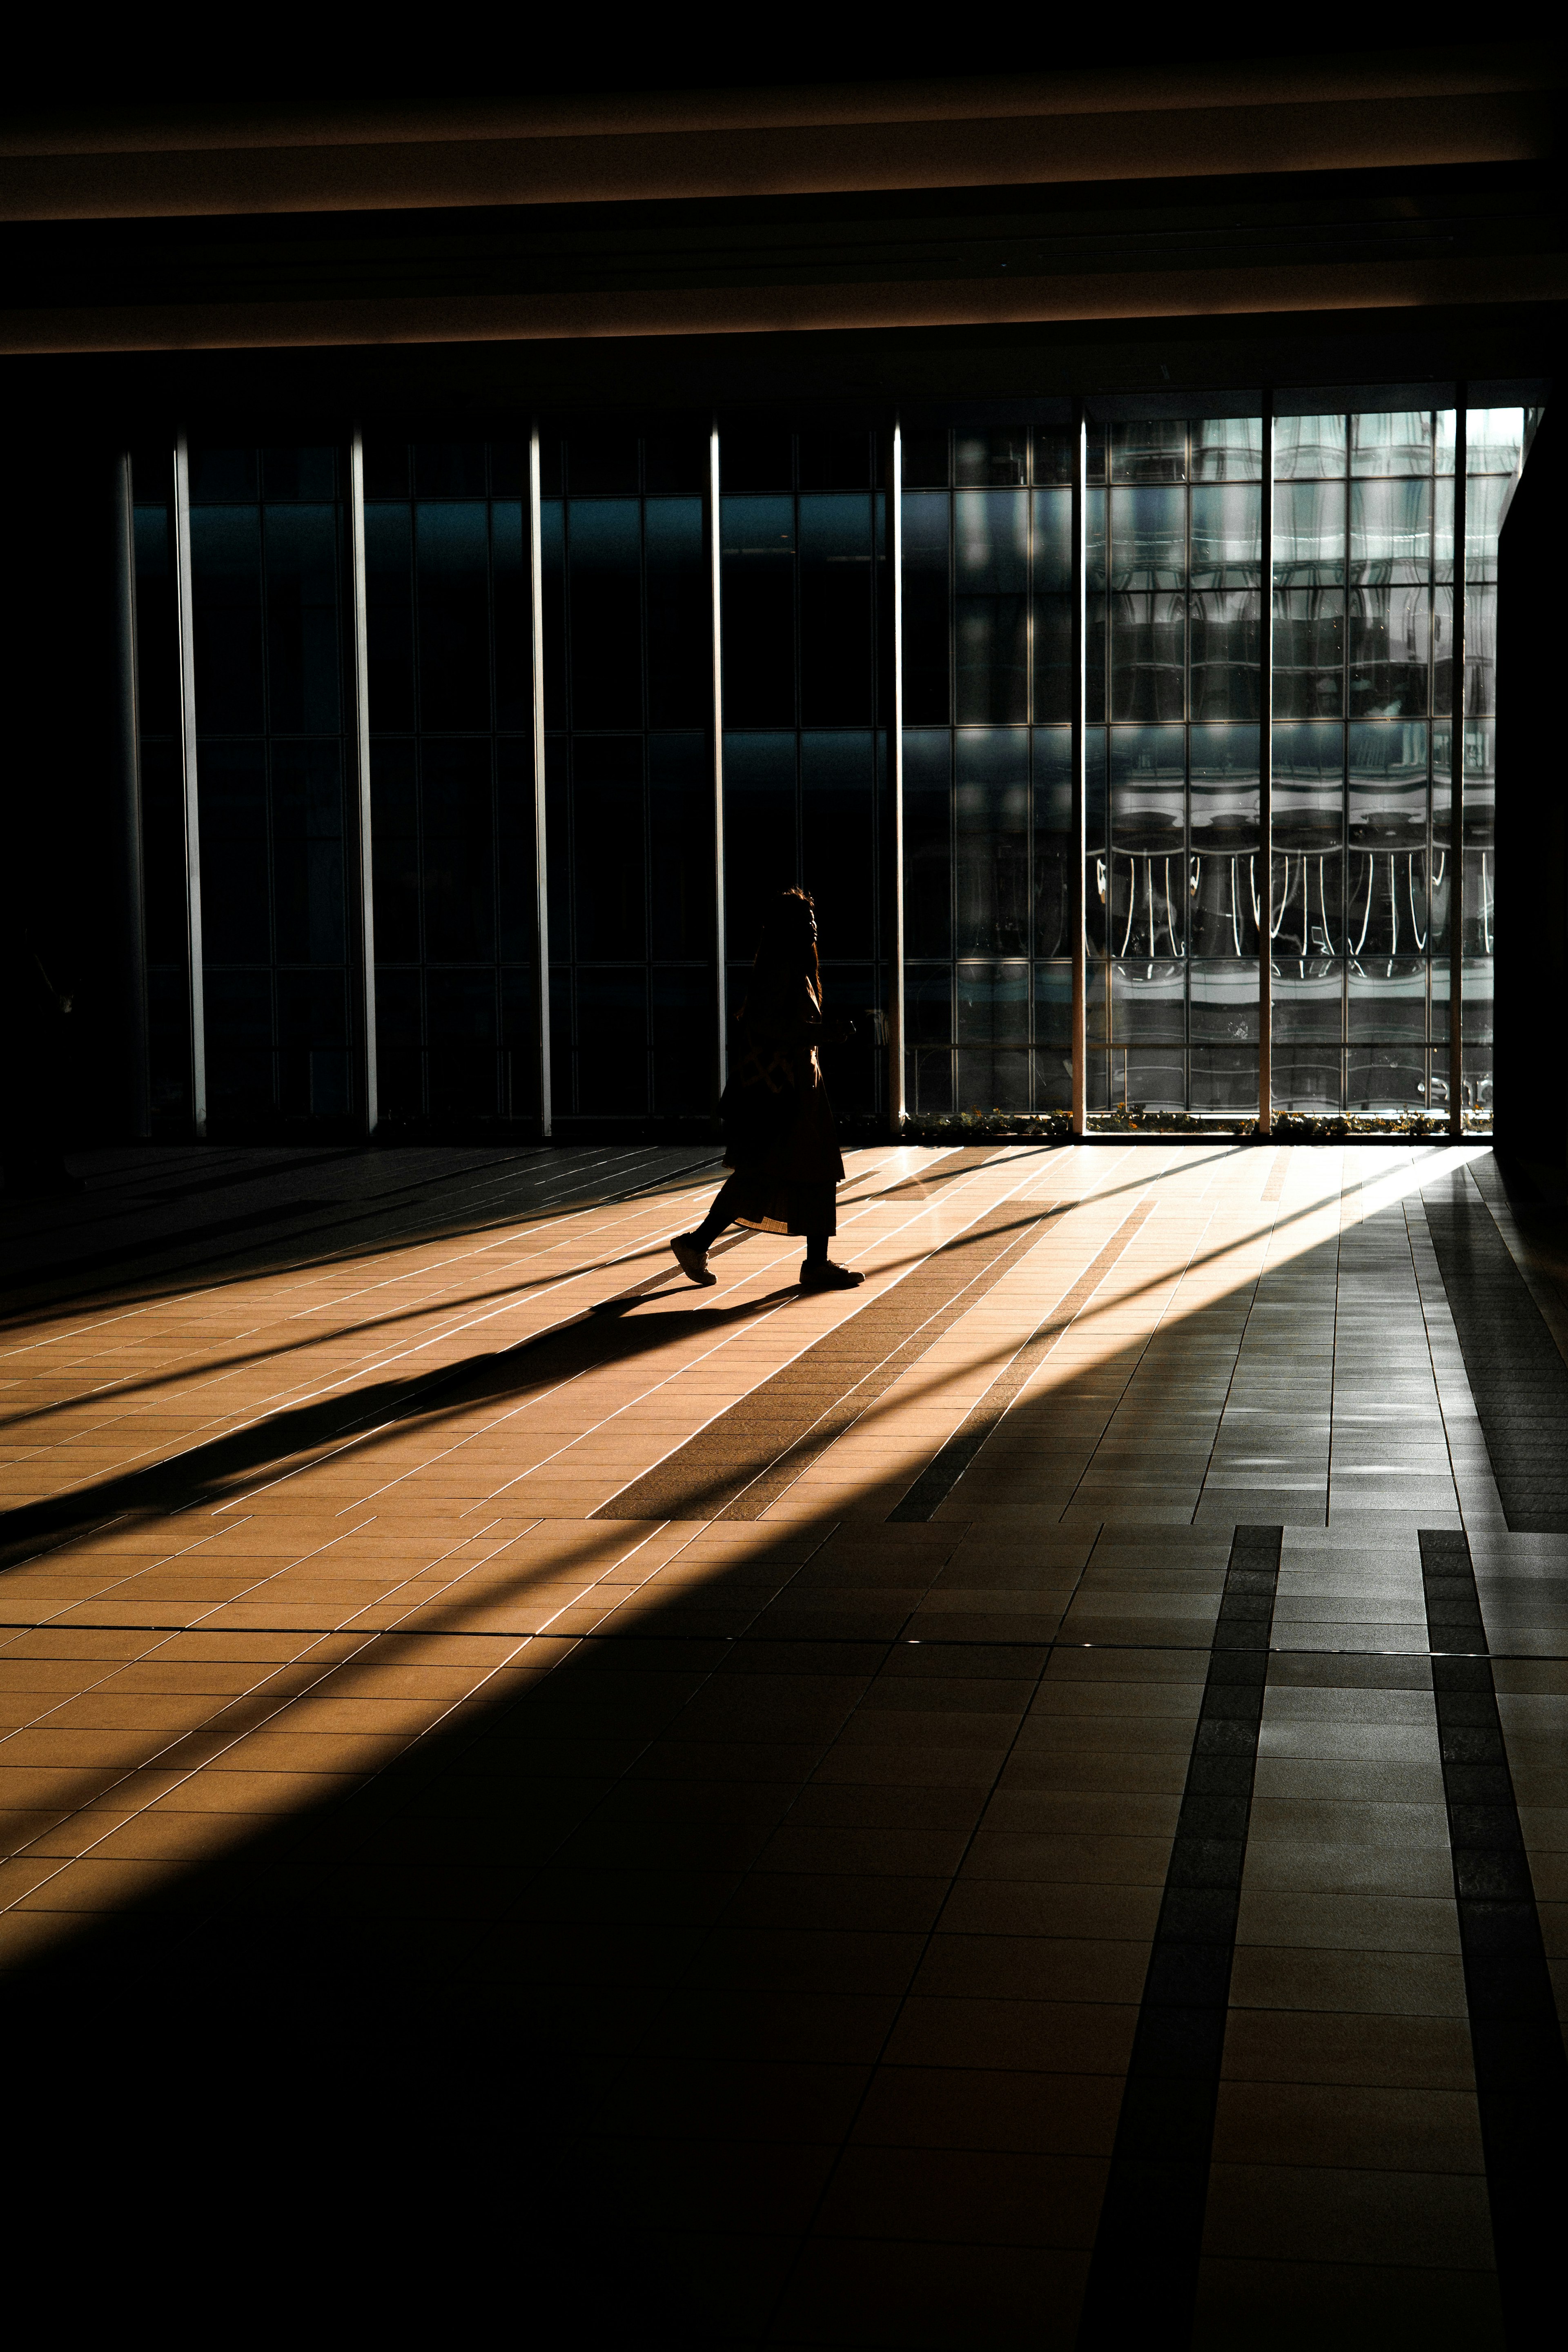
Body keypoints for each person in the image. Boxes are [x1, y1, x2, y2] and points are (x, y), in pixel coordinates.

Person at [671, 886, 864, 1293]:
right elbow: (766, 1025)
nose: (812, 927)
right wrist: (824, 1034)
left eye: (813, 919)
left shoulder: (791, 968)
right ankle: (808, 1263)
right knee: (778, 1173)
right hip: (784, 1093)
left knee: (791, 1172)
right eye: (802, 920)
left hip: (795, 1089)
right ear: (784, 928)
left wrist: (821, 1035)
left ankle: (705, 1245)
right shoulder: (781, 971)